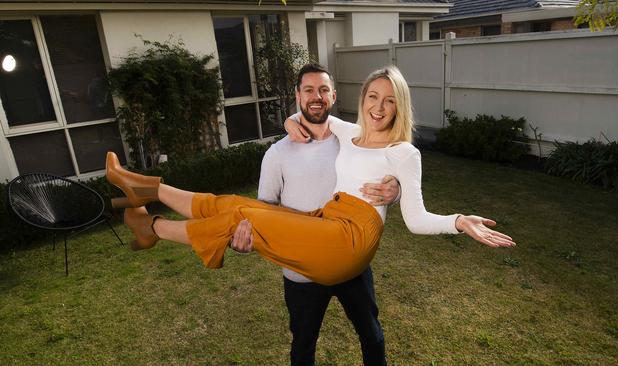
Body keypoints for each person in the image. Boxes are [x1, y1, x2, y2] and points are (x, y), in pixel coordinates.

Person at [106, 63, 515, 356]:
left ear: (398, 106)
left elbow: (417, 218)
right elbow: (306, 115)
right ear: (360, 99)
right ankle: (145, 187)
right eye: (372, 96)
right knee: (233, 204)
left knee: (370, 335)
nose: (378, 106)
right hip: (321, 229)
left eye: (388, 100)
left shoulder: (403, 152)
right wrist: (289, 121)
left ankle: (153, 228)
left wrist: (459, 221)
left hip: (349, 243)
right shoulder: (347, 131)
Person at [231, 63, 398, 365]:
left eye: (323, 90)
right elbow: (264, 210)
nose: (316, 96)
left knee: (372, 336)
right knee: (303, 345)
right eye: (308, 90)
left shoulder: (355, 141)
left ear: (333, 95)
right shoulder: (277, 155)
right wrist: (247, 239)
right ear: (297, 95)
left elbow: (383, 176)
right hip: (302, 272)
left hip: (352, 264)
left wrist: (394, 188)